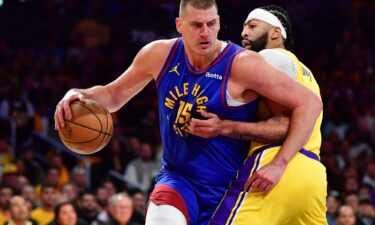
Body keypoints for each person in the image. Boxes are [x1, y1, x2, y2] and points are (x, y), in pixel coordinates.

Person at [54, 1, 322, 225]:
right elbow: (112, 96)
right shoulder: (159, 53)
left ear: (218, 22)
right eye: (196, 25)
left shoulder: (244, 64)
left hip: (228, 188)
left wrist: (279, 163)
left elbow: (309, 104)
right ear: (179, 25)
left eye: (211, 24)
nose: (205, 33)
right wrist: (79, 94)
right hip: (177, 178)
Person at [184, 5, 327, 225]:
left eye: (252, 26)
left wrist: (224, 126)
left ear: (275, 33)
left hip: (275, 164)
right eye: (243, 27)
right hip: (313, 175)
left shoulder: (269, 57)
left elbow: (283, 125)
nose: (244, 33)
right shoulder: (306, 73)